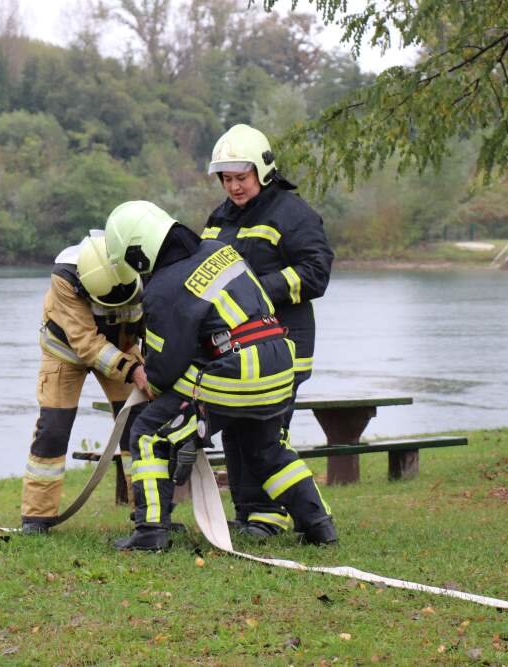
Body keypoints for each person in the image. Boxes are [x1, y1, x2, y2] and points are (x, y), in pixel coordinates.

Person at [103, 200, 338, 551]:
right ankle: (318, 524)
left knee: (148, 431)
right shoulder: (219, 250)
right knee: (267, 447)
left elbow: (165, 368)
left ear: (139, 253)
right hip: (278, 360)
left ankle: (150, 531)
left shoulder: (163, 287)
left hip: (236, 371)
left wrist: (147, 377)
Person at [201, 124, 334, 539]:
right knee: (238, 428)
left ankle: (276, 513)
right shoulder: (219, 218)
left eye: (241, 178)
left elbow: (316, 273)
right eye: (227, 179)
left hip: (284, 344)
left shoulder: (293, 215)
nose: (234, 187)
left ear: (263, 171)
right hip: (236, 346)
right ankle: (251, 513)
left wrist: (255, 292)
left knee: (266, 432)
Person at [20, 234, 151, 534]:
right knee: (53, 427)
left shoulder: (143, 268)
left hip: (123, 348)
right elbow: (86, 343)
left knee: (139, 426)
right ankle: (37, 518)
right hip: (65, 352)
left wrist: (155, 365)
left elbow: (154, 321)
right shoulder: (65, 277)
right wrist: (133, 371)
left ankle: (147, 512)